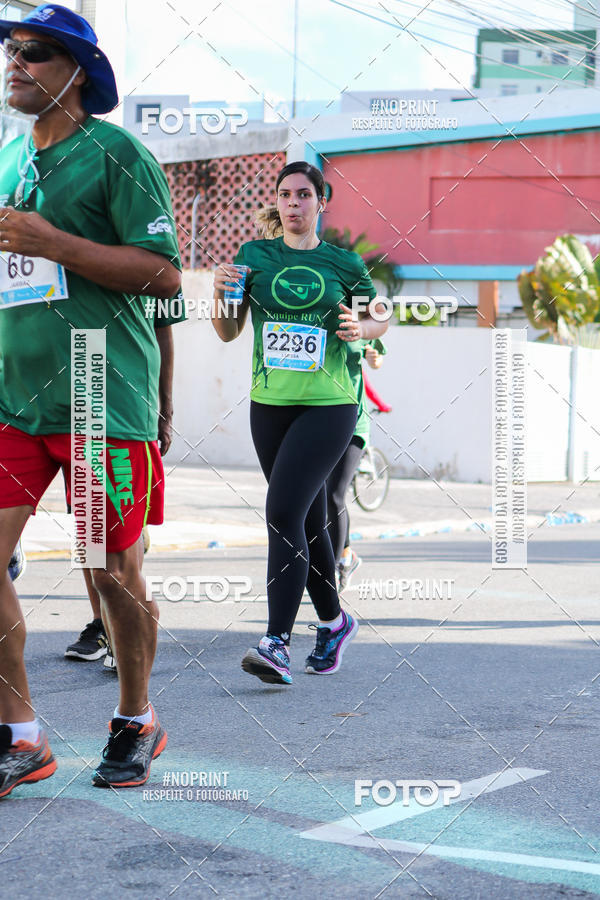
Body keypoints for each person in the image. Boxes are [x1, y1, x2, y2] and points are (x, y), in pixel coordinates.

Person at [0, 4, 182, 796]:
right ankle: (22, 734)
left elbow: (164, 275)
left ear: (79, 72)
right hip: (14, 399)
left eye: (34, 52)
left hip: (97, 391)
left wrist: (54, 244)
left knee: (109, 570)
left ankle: (136, 719)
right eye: (10, 51)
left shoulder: (119, 154)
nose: (15, 63)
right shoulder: (8, 157)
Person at [212, 160, 388, 685]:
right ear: (278, 203)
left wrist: (363, 324)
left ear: (321, 202)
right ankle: (334, 622)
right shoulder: (254, 256)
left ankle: (276, 642)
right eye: (286, 195)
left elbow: (380, 315)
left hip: (330, 405)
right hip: (270, 404)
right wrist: (220, 294)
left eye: (304, 195)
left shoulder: (343, 262)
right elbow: (226, 331)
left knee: (282, 510)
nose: (294, 203)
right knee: (305, 521)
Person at [65, 307, 184, 667]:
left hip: (128, 410)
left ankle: (125, 627)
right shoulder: (61, 256)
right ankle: (103, 623)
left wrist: (165, 408)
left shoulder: (152, 265)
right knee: (88, 527)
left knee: (122, 533)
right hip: (73, 400)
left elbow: (164, 330)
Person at [326, 339, 388, 592]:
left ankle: (332, 567)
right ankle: (347, 555)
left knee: (334, 494)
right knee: (320, 497)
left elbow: (377, 357)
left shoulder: (357, 318)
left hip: (353, 424)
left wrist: (375, 359)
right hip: (319, 420)